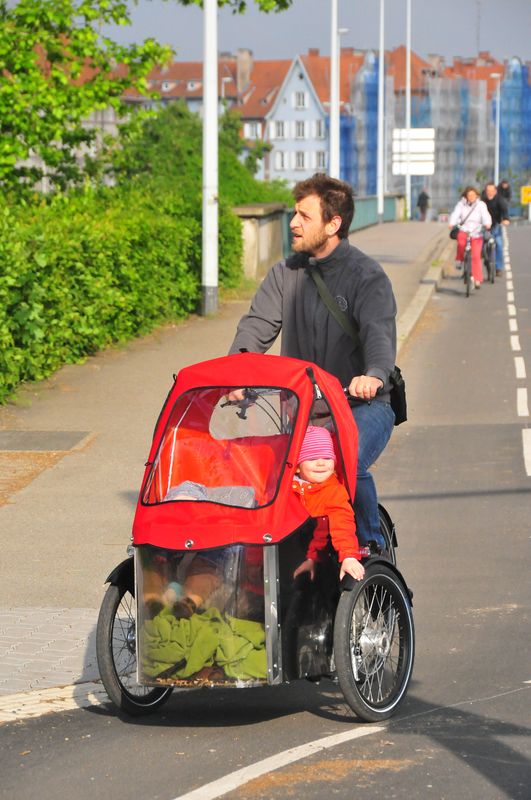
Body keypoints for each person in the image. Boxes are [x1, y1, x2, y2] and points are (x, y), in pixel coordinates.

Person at [229, 172, 397, 549]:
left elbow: (379, 333)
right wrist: (239, 369)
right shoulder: (285, 274)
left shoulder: (367, 277)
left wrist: (373, 374)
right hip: (302, 407)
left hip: (360, 405)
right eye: (295, 214)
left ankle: (370, 550)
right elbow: (256, 326)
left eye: (304, 216)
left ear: (333, 224)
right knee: (267, 469)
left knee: (347, 460)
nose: (293, 223)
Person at [292, 426, 365, 582]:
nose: (321, 463)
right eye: (312, 458)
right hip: (292, 550)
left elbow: (343, 523)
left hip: (324, 555)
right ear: (297, 466)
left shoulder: (334, 492)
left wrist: (348, 556)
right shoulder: (288, 489)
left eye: (327, 458)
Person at [449, 186, 492, 289]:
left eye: (473, 195)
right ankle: (459, 260)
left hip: (477, 232)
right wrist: (452, 223)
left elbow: (485, 215)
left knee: (476, 256)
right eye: (469, 195)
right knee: (461, 243)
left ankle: (477, 279)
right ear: (465, 196)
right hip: (464, 229)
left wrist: (487, 224)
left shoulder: (481, 205)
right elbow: (455, 214)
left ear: (477, 196)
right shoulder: (461, 204)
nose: (471, 197)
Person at [481, 182, 510, 277]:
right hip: (484, 226)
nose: (490, 192)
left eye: (492, 190)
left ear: (495, 191)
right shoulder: (482, 200)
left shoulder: (500, 200)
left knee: (499, 244)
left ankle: (498, 267)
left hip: (495, 225)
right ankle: (485, 258)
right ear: (485, 191)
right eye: (488, 190)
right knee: (480, 244)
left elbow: (504, 210)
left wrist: (505, 219)